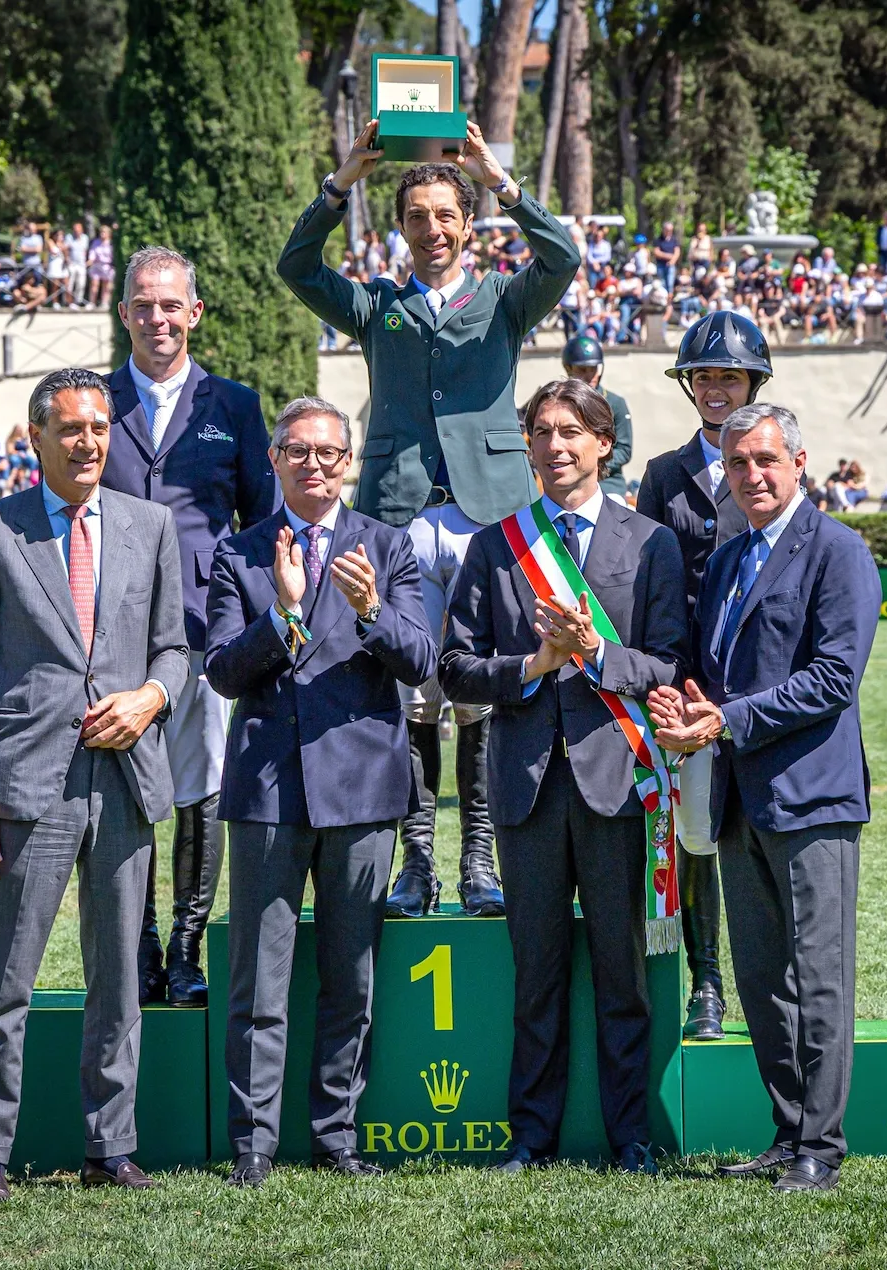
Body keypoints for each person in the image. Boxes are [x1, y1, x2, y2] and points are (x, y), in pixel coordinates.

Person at [277, 118, 580, 921]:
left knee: (483, 691)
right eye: (417, 217)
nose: (433, 229)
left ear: (469, 224)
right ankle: (417, 864)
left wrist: (500, 181)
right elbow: (296, 266)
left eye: (447, 214)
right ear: (401, 229)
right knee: (413, 695)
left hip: (488, 518)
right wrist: (342, 183)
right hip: (400, 517)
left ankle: (479, 862)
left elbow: (563, 257)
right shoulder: (378, 305)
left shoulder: (504, 300)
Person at [0, 366, 188, 1206]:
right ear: (37, 437)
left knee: (118, 978)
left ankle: (110, 1147)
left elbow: (174, 648)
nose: (88, 443)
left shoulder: (150, 524)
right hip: (25, 786)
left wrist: (150, 697)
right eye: (72, 429)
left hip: (125, 780)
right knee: (4, 978)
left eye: (99, 428)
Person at [439, 378, 686, 1177]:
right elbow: (455, 668)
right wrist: (534, 665)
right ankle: (531, 1138)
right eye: (542, 431)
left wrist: (597, 654)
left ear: (604, 444)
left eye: (571, 431)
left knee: (622, 977)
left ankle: (631, 1139)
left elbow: (671, 663)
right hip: (527, 791)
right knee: (537, 978)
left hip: (616, 785)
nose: (554, 446)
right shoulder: (495, 546)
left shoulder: (651, 543)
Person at [647, 402, 879, 1194]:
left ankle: (823, 1147)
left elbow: (835, 677)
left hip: (812, 800)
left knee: (819, 978)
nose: (752, 475)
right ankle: (788, 1133)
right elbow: (713, 675)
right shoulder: (726, 560)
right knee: (762, 981)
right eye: (739, 463)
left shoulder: (838, 550)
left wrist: (727, 719)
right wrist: (686, 707)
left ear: (799, 463)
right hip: (737, 800)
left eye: (766, 460)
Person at [204, 397, 436, 1189]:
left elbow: (419, 660)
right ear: (274, 460)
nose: (313, 465)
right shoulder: (239, 553)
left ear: (349, 462)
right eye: (297, 451)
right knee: (257, 983)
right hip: (267, 794)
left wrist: (369, 608)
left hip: (362, 793)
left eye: (327, 452)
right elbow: (223, 671)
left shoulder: (388, 547)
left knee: (351, 979)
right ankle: (253, 1145)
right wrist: (287, 612)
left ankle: (337, 1137)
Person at [102, 245, 275, 1009]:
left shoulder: (233, 405)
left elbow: (262, 524)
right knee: (126, 798)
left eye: (170, 304)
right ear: (124, 313)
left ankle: (184, 949)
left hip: (203, 633)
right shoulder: (94, 402)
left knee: (201, 790)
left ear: (194, 313)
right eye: (143, 304)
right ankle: (137, 947)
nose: (158, 318)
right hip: (109, 638)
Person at [630, 308, 773, 1042]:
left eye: (730, 377)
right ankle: (707, 981)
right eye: (704, 376)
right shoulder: (663, 475)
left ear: (754, 383)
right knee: (693, 838)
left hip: (759, 684)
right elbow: (652, 584)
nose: (716, 388)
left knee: (762, 831)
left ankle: (772, 980)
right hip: (688, 688)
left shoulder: (773, 465)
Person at [559, 335, 635, 500]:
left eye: (593, 368)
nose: (590, 375)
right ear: (568, 369)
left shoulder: (615, 403)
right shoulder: (558, 404)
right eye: (582, 369)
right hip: (565, 481)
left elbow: (624, 450)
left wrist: (588, 465)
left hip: (607, 483)